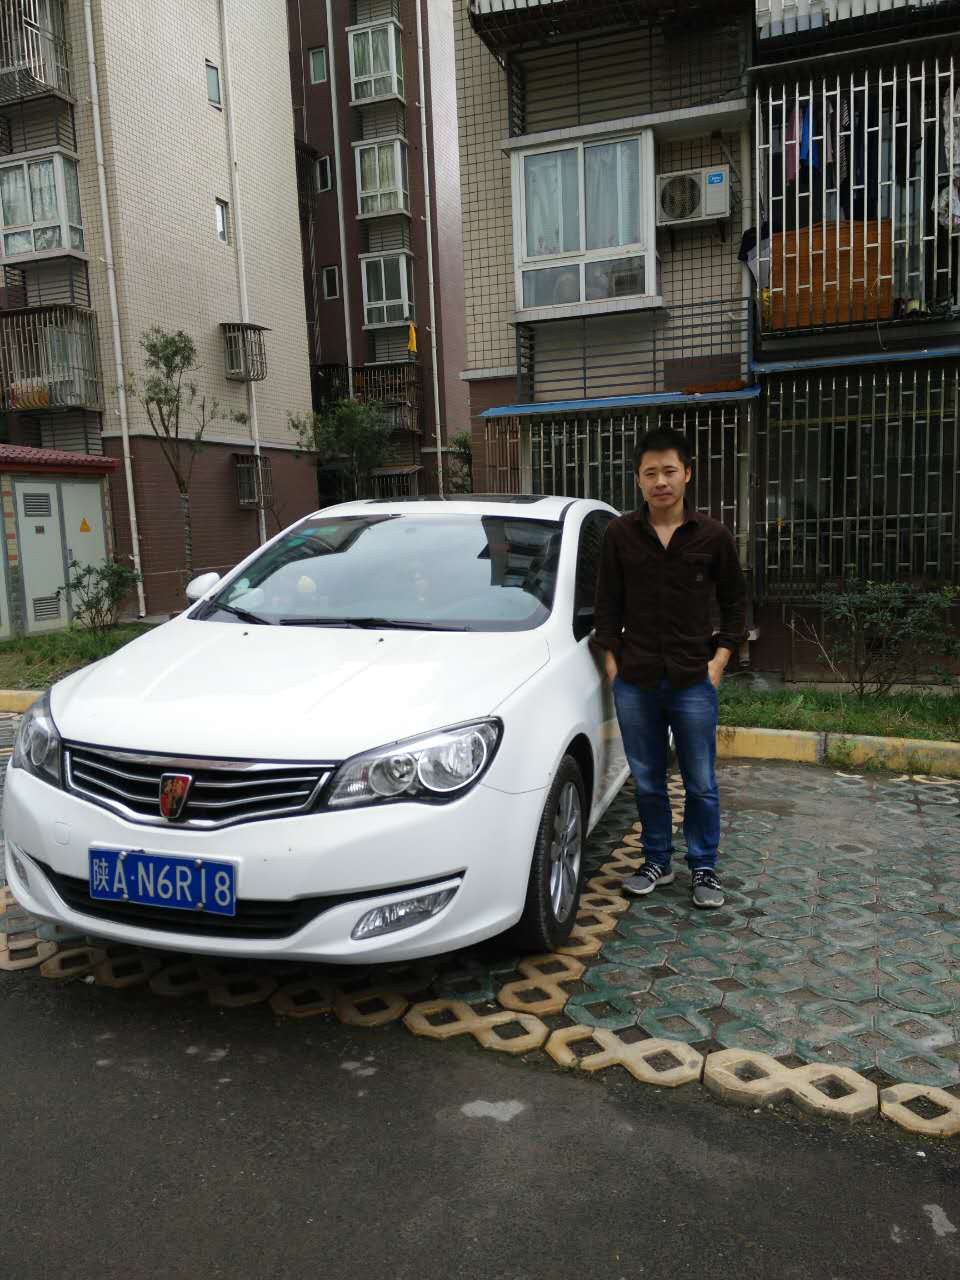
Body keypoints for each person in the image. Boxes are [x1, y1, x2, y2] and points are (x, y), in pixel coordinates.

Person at [593, 427, 747, 908]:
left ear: (687, 474)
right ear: (638, 480)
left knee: (700, 782)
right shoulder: (620, 535)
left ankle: (703, 867)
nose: (660, 481)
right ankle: (656, 860)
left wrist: (719, 662)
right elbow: (606, 605)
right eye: (650, 473)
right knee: (647, 778)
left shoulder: (713, 536)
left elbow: (736, 605)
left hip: (693, 679)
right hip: (635, 680)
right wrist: (613, 667)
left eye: (669, 471)